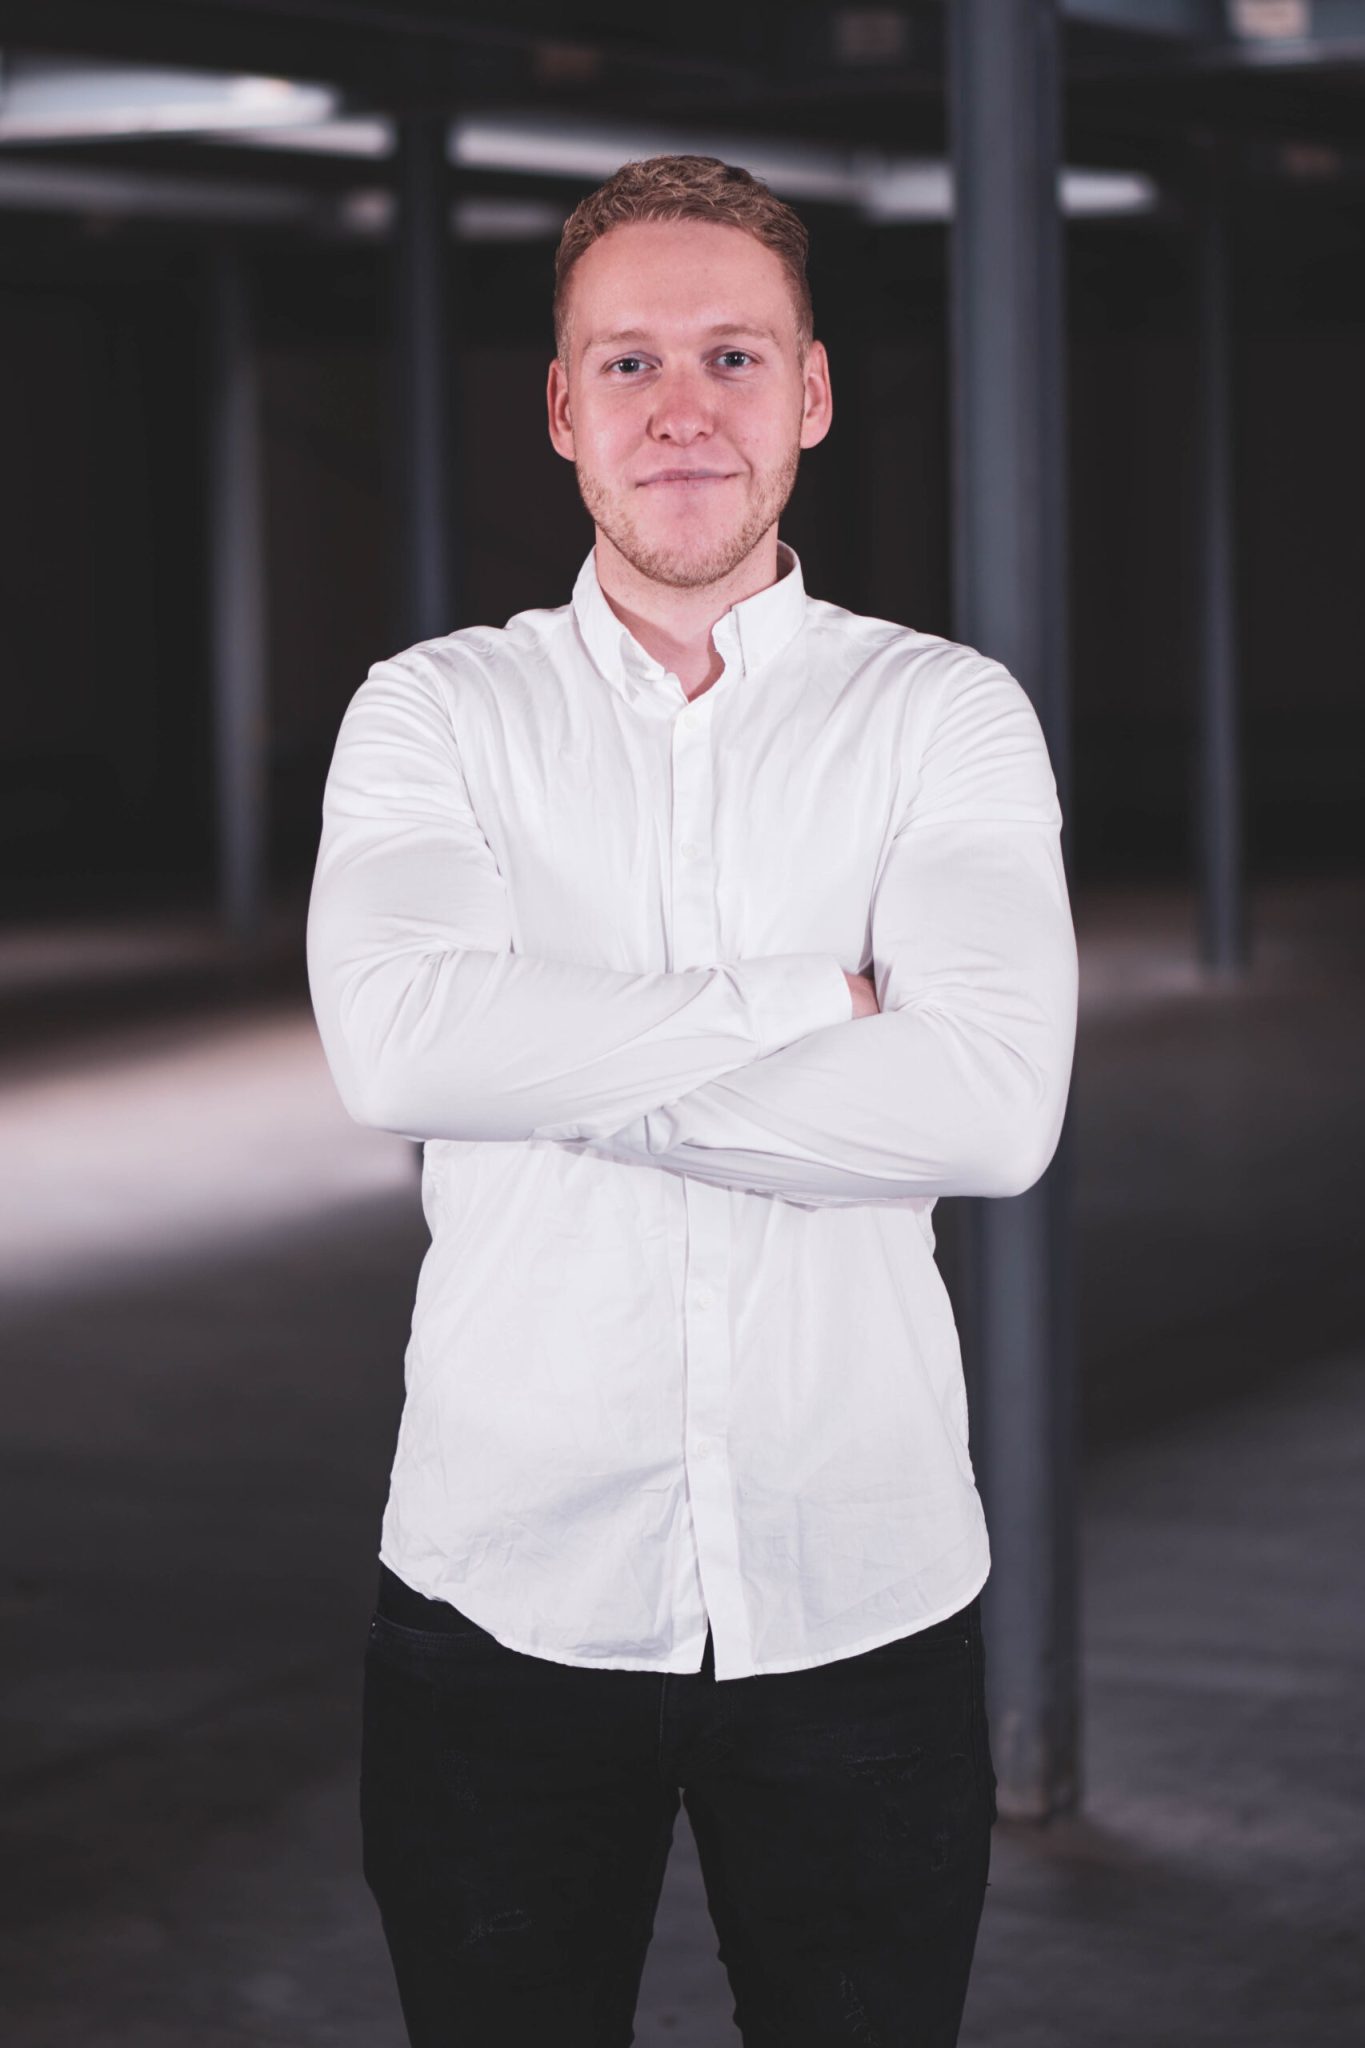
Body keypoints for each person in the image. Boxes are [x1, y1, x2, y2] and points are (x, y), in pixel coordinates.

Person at [306, 152, 1078, 2048]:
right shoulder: (433, 712)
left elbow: (990, 1111)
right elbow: (401, 1055)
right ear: (561, 409)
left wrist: (544, 1075)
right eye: (628, 362)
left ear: (807, 395)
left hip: (858, 1591)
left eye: (731, 356)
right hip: (502, 1588)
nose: (681, 408)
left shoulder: (942, 715)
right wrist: (809, 1000)